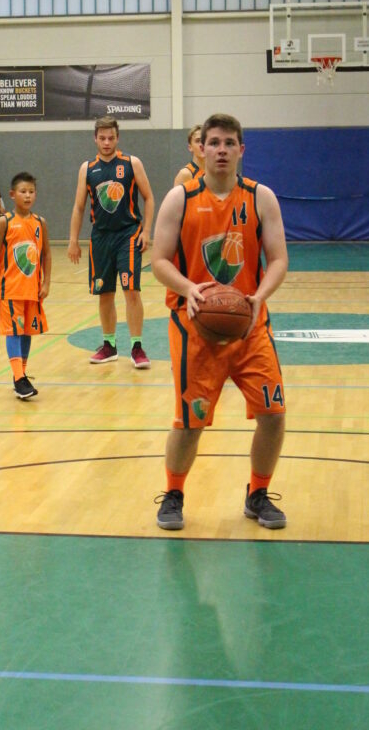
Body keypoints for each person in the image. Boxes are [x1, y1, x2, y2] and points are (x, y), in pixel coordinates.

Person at [151, 113, 288, 531]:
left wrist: (259, 297)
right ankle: (173, 493)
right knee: (190, 422)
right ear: (201, 148)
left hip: (249, 323)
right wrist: (189, 288)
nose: (221, 150)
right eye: (214, 143)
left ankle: (258, 494)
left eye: (229, 143)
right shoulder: (180, 198)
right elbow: (158, 261)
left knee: (273, 413)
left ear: (241, 150)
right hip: (195, 324)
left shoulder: (261, 197)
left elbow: (279, 259)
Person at [67, 116, 155, 368]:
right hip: (100, 237)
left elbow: (149, 198)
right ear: (95, 138)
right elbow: (78, 207)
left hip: (128, 234)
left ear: (118, 138)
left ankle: (137, 347)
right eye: (102, 138)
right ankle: (109, 345)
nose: (106, 142)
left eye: (111, 138)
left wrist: (146, 231)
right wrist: (73, 240)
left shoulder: (131, 163)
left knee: (131, 291)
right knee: (104, 293)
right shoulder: (87, 168)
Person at [0, 172, 51, 400]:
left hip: (32, 289)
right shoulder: (4, 222)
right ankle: (19, 378)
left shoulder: (40, 223)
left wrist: (46, 282)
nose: (28, 196)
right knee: (13, 330)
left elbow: (46, 254)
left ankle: (20, 376)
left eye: (31, 192)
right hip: (10, 288)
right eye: (23, 191)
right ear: (12, 195)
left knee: (26, 331)